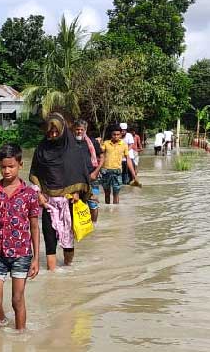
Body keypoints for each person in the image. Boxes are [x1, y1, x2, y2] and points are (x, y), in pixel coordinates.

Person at [0, 144, 40, 331]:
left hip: (21, 253)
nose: (7, 171)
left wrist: (36, 258)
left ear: (20, 165)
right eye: (3, 166)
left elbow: (34, 226)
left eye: (11, 166)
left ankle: (20, 336)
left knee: (17, 300)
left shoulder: (29, 194)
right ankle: (4, 326)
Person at [30, 113, 91, 271]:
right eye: (50, 132)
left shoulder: (73, 150)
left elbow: (80, 173)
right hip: (47, 202)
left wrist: (77, 192)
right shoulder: (41, 150)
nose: (53, 135)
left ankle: (68, 271)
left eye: (56, 131)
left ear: (63, 130)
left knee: (68, 243)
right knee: (50, 241)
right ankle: (53, 277)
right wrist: (39, 194)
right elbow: (35, 174)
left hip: (69, 202)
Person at [73, 119, 103, 222]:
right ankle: (81, 227)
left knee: (93, 203)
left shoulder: (92, 142)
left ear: (85, 130)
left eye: (82, 129)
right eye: (77, 129)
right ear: (74, 129)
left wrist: (96, 172)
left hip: (92, 178)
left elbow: (102, 157)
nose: (79, 132)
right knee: (77, 203)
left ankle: (94, 226)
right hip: (75, 179)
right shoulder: (69, 143)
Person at [101, 125, 137, 205]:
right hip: (105, 171)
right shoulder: (106, 143)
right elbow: (101, 156)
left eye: (118, 134)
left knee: (116, 194)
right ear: (111, 134)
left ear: (120, 134)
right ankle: (108, 211)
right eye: (114, 134)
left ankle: (115, 212)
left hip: (117, 172)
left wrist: (134, 174)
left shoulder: (124, 145)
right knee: (107, 193)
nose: (116, 136)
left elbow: (128, 160)